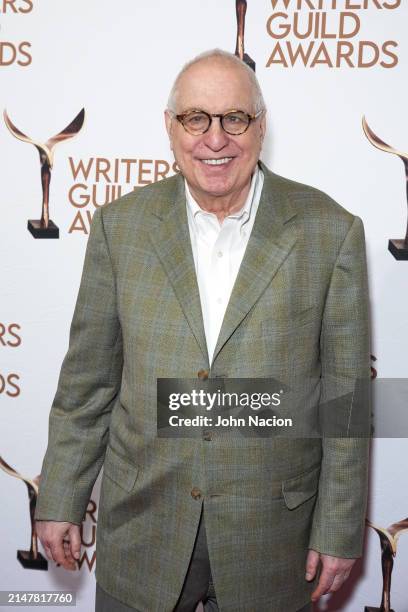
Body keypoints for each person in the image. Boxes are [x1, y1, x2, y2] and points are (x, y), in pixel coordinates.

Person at [35, 49, 371, 612]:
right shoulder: (120, 228)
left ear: (260, 127)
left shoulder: (329, 231)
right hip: (144, 530)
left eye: (234, 119)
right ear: (170, 128)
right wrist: (61, 496)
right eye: (196, 118)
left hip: (273, 541)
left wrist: (339, 527)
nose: (215, 139)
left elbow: (347, 400)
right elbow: (87, 383)